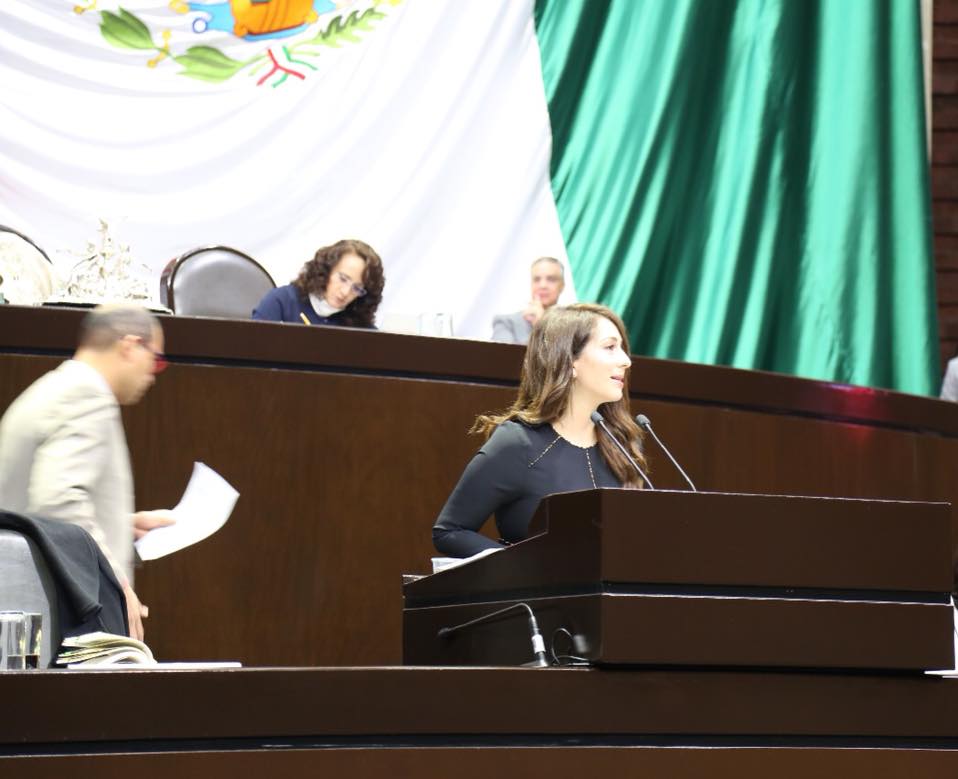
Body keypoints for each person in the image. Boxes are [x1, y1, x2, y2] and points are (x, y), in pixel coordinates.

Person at [0, 304, 175, 640]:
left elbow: (40, 503)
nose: (153, 375)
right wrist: (116, 582)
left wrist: (119, 524)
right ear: (130, 345)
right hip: (59, 617)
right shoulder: (88, 395)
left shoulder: (53, 388)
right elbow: (58, 502)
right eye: (156, 360)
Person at [434, 303, 647, 557]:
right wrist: (525, 567)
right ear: (570, 360)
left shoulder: (623, 443)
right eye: (610, 347)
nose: (626, 361)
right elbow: (450, 531)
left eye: (622, 349)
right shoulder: (517, 443)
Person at [252, 239, 385, 328]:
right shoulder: (282, 301)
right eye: (343, 279)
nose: (345, 292)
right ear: (326, 271)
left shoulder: (360, 324)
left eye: (357, 288)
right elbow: (253, 347)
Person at [491, 257, 566, 344]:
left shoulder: (574, 325)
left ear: (562, 286)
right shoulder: (507, 323)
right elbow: (503, 352)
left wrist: (542, 323)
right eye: (537, 279)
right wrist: (540, 329)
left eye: (551, 279)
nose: (543, 285)